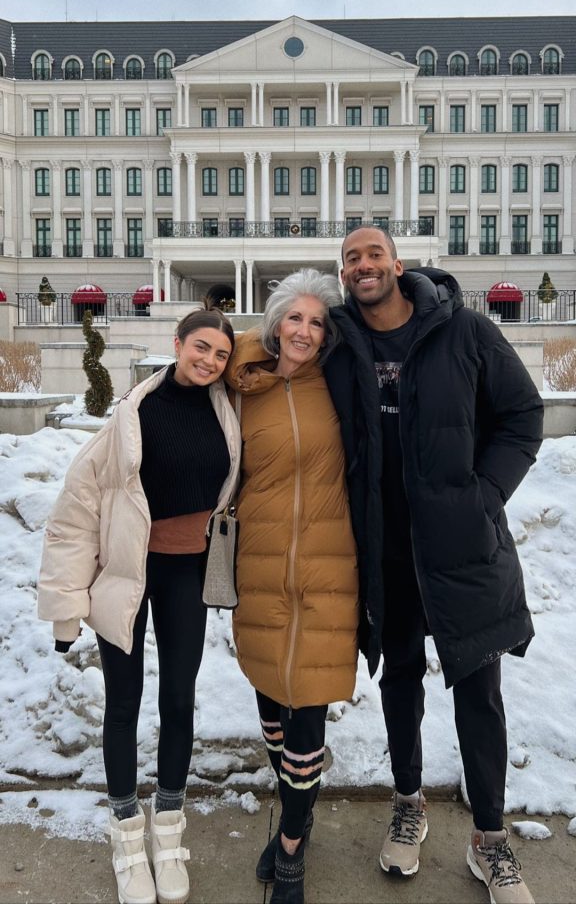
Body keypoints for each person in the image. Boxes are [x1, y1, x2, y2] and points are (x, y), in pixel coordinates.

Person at [323, 226, 543, 904]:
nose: (364, 265)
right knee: (401, 687)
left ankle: (490, 842)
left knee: (479, 695)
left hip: (463, 549)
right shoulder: (337, 340)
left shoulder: (467, 331)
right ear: (344, 272)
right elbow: (272, 356)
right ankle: (409, 804)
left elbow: (522, 414)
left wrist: (485, 496)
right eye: (351, 258)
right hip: (384, 549)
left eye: (373, 254)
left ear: (398, 263)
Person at [38, 306, 241, 904]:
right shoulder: (130, 416)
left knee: (179, 698)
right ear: (177, 344)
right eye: (200, 347)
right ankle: (127, 836)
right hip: (125, 571)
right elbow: (76, 514)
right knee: (123, 703)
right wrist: (66, 603)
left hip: (189, 572)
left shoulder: (227, 412)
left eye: (221, 354)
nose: (208, 360)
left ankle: (169, 830)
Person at [225, 269, 359, 904]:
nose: (305, 331)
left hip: (328, 569)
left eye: (317, 322)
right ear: (275, 323)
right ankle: (294, 810)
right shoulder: (242, 388)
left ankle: (292, 845)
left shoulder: (339, 383)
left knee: (307, 716)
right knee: (273, 710)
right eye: (294, 318)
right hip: (261, 568)